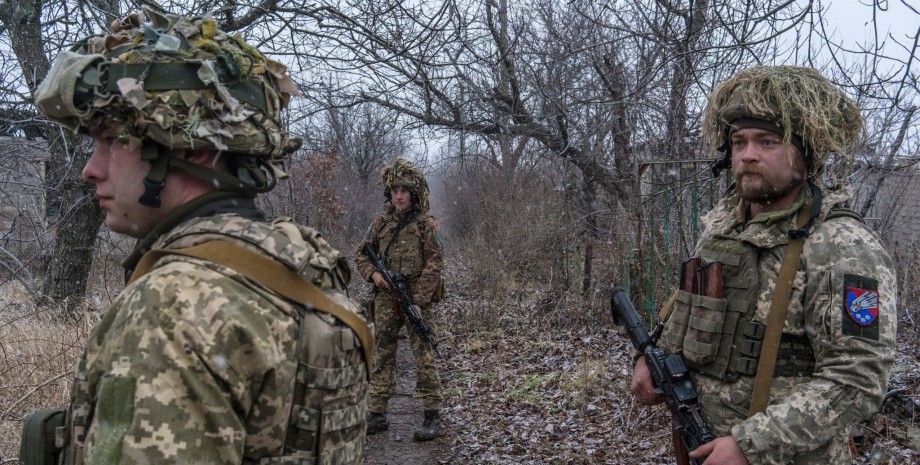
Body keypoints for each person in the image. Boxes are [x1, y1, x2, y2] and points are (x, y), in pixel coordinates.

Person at [29, 9, 372, 464]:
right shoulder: (299, 267)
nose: (92, 168)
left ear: (190, 147)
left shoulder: (173, 307)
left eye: (112, 140)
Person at [630, 66, 897, 464]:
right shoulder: (723, 231)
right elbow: (691, 317)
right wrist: (653, 360)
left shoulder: (842, 245)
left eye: (768, 142)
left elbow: (857, 380)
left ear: (805, 155)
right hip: (701, 446)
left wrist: (750, 445)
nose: (748, 155)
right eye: (739, 142)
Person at [354, 158, 445, 441]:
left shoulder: (426, 225)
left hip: (415, 298)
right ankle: (377, 412)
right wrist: (373, 275)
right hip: (385, 298)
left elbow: (435, 262)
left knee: (423, 353)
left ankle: (432, 414)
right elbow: (361, 254)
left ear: (414, 194)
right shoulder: (380, 223)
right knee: (382, 352)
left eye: (404, 190)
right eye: (394, 190)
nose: (399, 195)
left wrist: (418, 299)